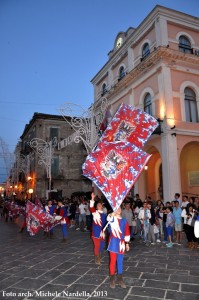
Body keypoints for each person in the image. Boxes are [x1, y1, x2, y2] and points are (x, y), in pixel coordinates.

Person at [107, 206, 130, 289]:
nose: (119, 210)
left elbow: (127, 232)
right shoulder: (112, 219)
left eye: (120, 208)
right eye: (117, 208)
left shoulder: (124, 221)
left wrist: (127, 243)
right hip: (113, 243)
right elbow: (108, 218)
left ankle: (120, 279)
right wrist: (112, 214)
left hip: (121, 243)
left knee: (120, 261)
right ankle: (112, 279)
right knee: (113, 261)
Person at [89, 193, 107, 265]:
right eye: (98, 205)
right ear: (96, 207)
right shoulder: (95, 213)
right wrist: (92, 199)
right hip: (96, 232)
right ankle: (97, 258)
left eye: (100, 205)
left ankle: (99, 256)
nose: (99, 206)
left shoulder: (105, 215)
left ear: (102, 207)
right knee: (97, 245)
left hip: (102, 233)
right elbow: (91, 207)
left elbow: (106, 224)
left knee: (102, 245)